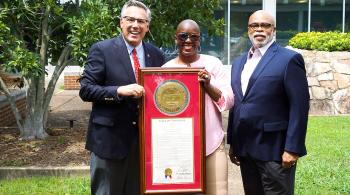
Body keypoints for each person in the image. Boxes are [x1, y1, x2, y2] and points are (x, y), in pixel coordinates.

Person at [79, 1, 165, 194]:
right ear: (121, 22)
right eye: (130, 19)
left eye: (141, 21)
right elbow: (86, 90)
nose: (136, 25)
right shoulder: (102, 50)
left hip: (144, 143)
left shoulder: (156, 55)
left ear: (147, 26)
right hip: (109, 141)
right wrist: (118, 91)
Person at [227, 10, 309, 195]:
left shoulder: (289, 59)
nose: (259, 29)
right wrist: (233, 141)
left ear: (274, 30)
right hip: (246, 149)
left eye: (265, 25)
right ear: (248, 29)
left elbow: (300, 107)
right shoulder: (239, 62)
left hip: (275, 151)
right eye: (254, 25)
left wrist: (292, 148)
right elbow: (238, 103)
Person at [162, 19, 234, 195]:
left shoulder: (213, 64)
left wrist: (208, 85)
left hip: (211, 143)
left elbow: (229, 100)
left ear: (199, 40)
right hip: (178, 145)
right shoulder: (164, 69)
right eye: (183, 36)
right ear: (176, 39)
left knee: (219, 192)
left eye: (194, 36)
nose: (188, 40)